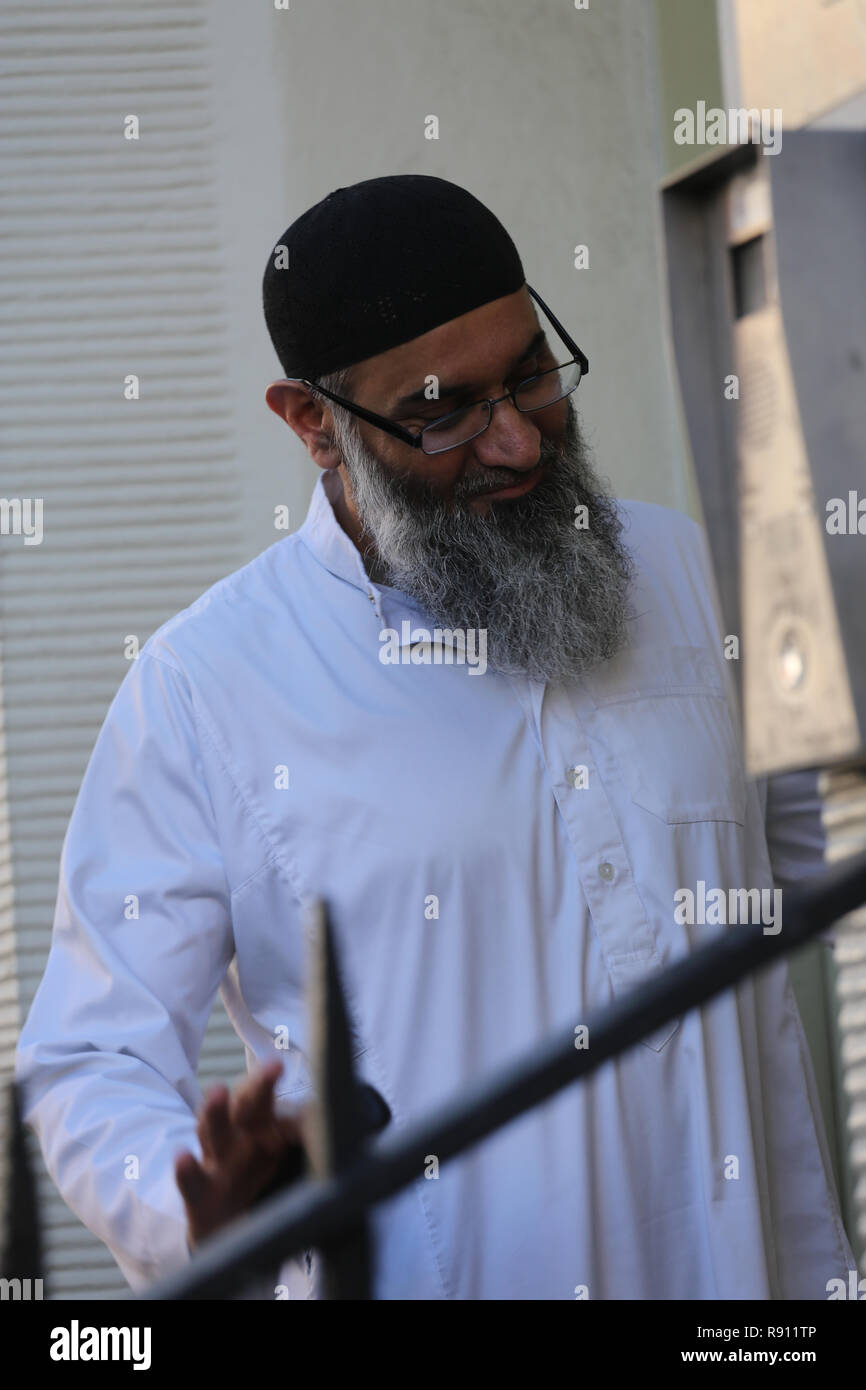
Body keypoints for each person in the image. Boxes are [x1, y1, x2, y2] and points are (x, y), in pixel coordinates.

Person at [15, 174, 856, 1299]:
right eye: (443, 410)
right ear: (312, 423)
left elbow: (825, 869)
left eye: (528, 377)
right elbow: (89, 1057)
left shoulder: (697, 577)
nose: (514, 441)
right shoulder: (202, 690)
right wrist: (197, 1208)